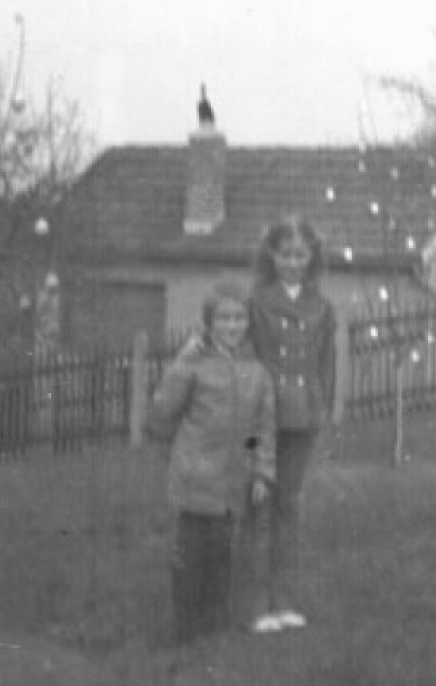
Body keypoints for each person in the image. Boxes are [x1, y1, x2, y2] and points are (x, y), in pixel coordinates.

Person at [145, 280, 276, 644]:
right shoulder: (194, 364)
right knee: (190, 557)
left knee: (222, 558)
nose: (232, 327)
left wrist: (261, 470)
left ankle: (214, 629)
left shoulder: (256, 371)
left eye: (239, 319)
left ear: (248, 323)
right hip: (194, 479)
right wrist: (182, 363)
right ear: (210, 323)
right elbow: (161, 411)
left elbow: (260, 428)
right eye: (224, 319)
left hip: (232, 483)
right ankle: (185, 630)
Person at [248, 213, 337, 633]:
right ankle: (254, 604)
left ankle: (284, 601)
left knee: (289, 504)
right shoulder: (258, 301)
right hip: (262, 416)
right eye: (285, 254)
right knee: (258, 500)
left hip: (303, 416)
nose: (293, 262)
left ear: (311, 257)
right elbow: (249, 360)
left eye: (301, 255)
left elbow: (326, 363)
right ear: (272, 254)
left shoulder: (321, 306)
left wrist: (322, 407)